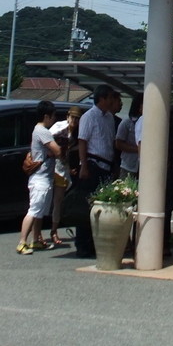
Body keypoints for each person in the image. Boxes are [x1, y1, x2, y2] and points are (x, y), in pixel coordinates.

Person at [74, 84, 118, 259]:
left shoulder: (109, 118)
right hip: (92, 164)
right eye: (109, 98)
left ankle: (95, 244)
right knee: (87, 207)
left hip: (106, 164)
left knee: (102, 207)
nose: (111, 101)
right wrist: (83, 165)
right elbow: (82, 141)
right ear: (102, 98)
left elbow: (110, 142)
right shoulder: (89, 116)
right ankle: (83, 245)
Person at [17, 100, 62, 254]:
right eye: (52, 116)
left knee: (40, 211)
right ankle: (22, 242)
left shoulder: (37, 130)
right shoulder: (43, 131)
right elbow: (57, 151)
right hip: (40, 178)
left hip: (43, 177)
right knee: (34, 210)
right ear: (46, 116)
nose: (54, 119)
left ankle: (36, 239)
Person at [47, 105, 82, 246]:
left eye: (77, 118)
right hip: (50, 166)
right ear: (67, 116)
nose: (74, 120)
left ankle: (53, 230)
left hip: (63, 169)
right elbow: (47, 141)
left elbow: (73, 150)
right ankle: (38, 234)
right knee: (45, 200)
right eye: (72, 117)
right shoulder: (59, 128)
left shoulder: (77, 133)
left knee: (58, 201)